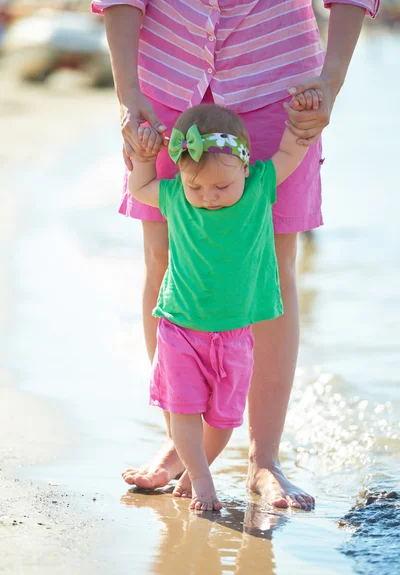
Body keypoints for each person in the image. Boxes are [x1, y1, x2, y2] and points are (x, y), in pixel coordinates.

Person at [93, 0, 378, 510]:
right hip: (164, 76)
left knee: (271, 269)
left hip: (280, 84)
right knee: (161, 261)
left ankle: (264, 458)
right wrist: (128, 91)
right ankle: (183, 446)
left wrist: (330, 80)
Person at [128, 100, 316, 510]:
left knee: (223, 417)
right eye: (197, 187)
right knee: (183, 405)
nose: (209, 197)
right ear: (181, 175)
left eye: (221, 187)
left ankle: (200, 470)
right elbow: (140, 189)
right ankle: (200, 479)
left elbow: (290, 153)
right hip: (179, 327)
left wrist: (303, 116)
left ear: (246, 169)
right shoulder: (177, 196)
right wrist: (144, 159)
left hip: (235, 333)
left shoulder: (259, 187)